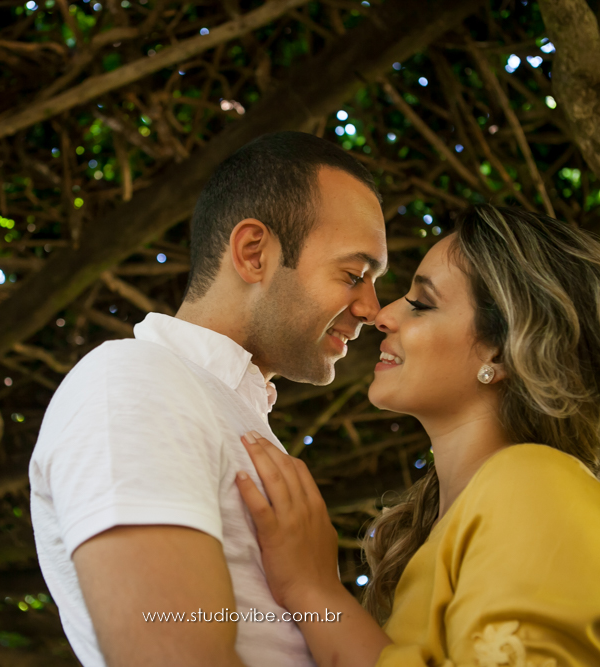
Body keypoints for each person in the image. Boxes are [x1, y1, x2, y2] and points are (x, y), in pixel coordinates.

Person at [235, 204, 600, 667]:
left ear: (502, 353)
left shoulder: (536, 486)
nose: (383, 316)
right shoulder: (447, 527)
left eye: (422, 304)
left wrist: (313, 588)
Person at [28, 130, 388, 666]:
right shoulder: (134, 381)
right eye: (354, 275)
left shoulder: (218, 407)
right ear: (253, 253)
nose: (372, 309)